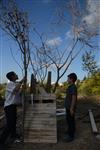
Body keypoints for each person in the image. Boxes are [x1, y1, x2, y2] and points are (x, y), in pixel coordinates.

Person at [0, 71, 25, 145]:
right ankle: (1, 141)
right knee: (10, 124)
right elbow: (15, 90)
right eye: (15, 74)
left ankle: (13, 135)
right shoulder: (10, 84)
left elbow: (18, 93)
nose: (17, 75)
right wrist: (22, 81)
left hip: (13, 106)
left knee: (14, 122)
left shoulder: (14, 84)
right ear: (12, 77)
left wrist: (23, 87)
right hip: (9, 107)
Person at [64, 73, 77, 142]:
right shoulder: (70, 86)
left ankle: (71, 136)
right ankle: (70, 131)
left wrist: (71, 109)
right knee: (69, 120)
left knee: (70, 121)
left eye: (68, 78)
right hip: (68, 107)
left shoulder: (73, 87)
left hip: (70, 108)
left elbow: (74, 98)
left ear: (71, 79)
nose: (67, 80)